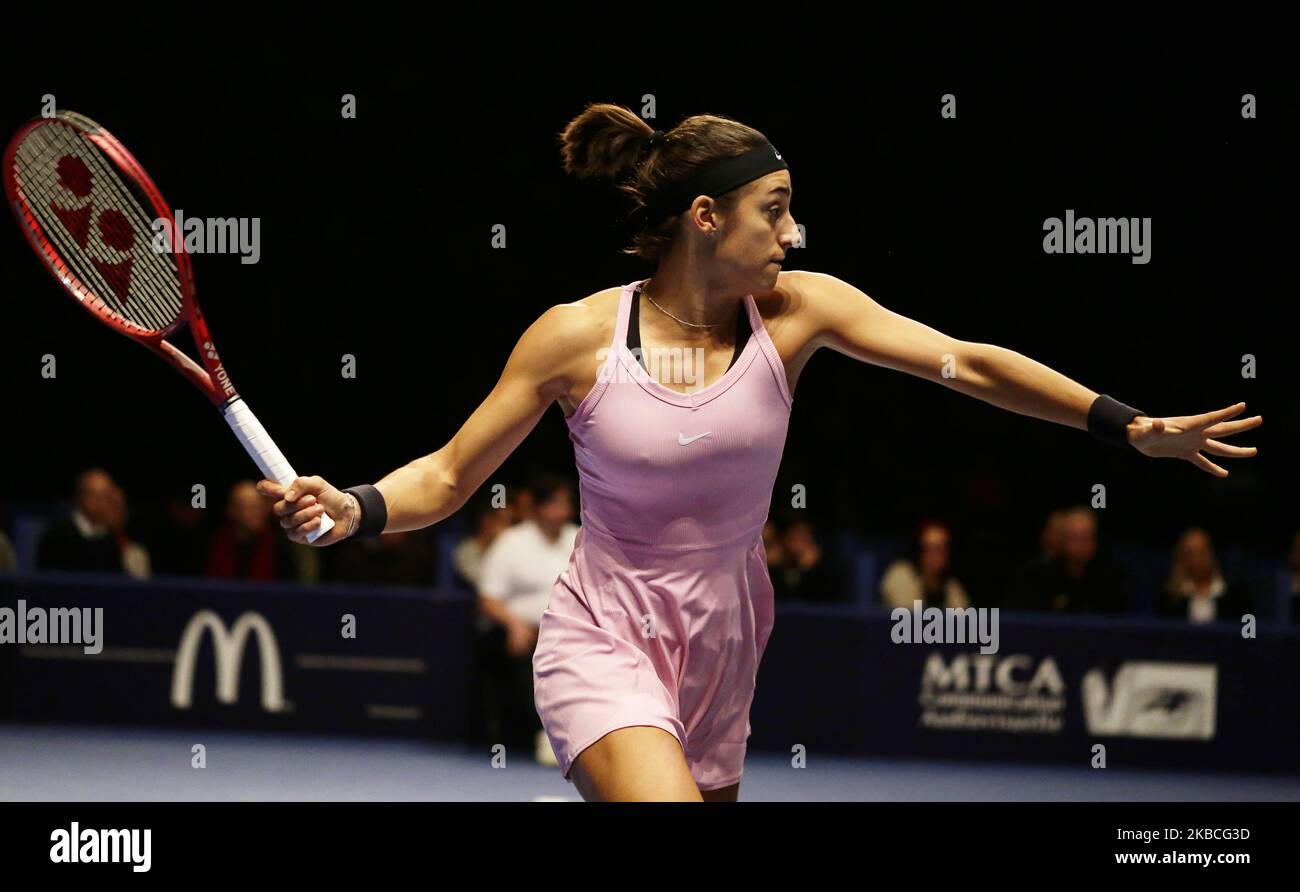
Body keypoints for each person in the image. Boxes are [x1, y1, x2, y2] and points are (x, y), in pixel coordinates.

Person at [257, 104, 1261, 801]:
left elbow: (962, 360)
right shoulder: (574, 337)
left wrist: (1122, 423)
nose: (793, 228)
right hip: (605, 628)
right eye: (773, 207)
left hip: (730, 635)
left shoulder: (797, 313)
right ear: (706, 217)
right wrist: (355, 505)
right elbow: (445, 473)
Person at [474, 473, 579, 766]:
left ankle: (579, 737)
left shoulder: (580, 539)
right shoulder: (511, 542)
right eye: (554, 503)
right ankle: (543, 733)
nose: (562, 510)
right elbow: (487, 599)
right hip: (522, 630)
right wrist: (514, 624)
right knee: (526, 648)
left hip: (572, 632)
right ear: (538, 508)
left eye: (565, 503)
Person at [1004, 506, 1130, 614]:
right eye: (1074, 538)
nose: (1080, 545)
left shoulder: (1112, 578)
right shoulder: (1034, 576)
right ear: (1061, 541)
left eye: (1086, 538)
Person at [37, 468, 150, 579]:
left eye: (108, 495)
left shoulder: (112, 535)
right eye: (97, 495)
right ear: (80, 498)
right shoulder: (58, 533)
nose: (105, 502)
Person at [1155, 527, 1252, 624]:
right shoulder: (1170, 598)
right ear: (1182, 558)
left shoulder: (1235, 595)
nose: (1198, 559)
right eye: (1191, 553)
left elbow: (1250, 632)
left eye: (1202, 552)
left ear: (1212, 553)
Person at [880, 519, 970, 610]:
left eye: (938, 549)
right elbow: (909, 620)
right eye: (926, 548)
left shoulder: (952, 588)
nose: (931, 555)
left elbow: (961, 620)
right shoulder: (900, 575)